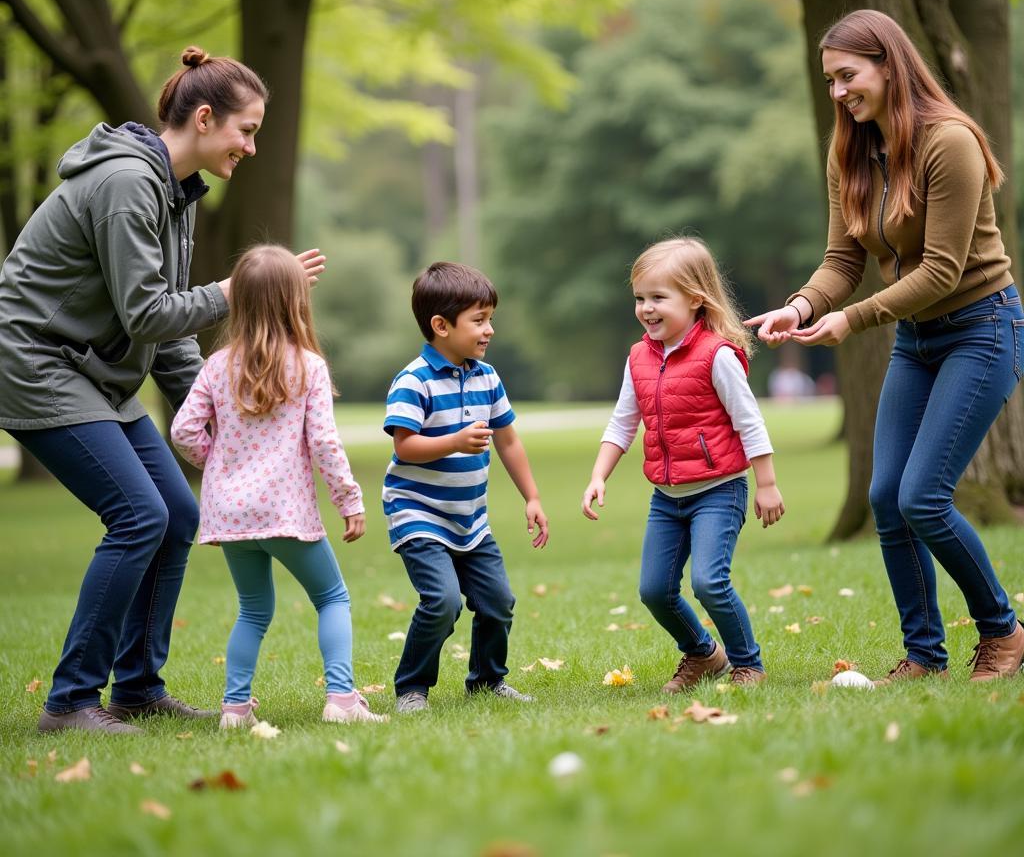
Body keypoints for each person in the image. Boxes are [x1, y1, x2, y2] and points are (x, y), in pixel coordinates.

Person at [0, 46, 325, 734]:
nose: (253, 146)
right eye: (247, 129)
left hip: (96, 372)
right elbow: (149, 313)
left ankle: (138, 688)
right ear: (204, 118)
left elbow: (166, 326)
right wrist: (235, 291)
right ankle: (69, 702)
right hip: (37, 365)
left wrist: (226, 418)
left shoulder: (176, 193)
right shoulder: (126, 184)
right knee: (138, 516)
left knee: (177, 513)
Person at [745, 9, 1024, 684]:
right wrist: (804, 305)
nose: (838, 92)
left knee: (924, 497)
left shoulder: (948, 142)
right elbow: (842, 258)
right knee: (886, 496)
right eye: (830, 81)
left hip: (982, 329)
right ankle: (925, 655)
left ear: (889, 66)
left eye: (848, 76)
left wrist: (853, 321)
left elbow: (942, 271)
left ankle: (1004, 632)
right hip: (918, 339)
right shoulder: (850, 151)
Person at [170, 245, 385, 727]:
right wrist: (349, 500)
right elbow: (325, 443)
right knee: (332, 598)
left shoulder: (217, 365)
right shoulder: (308, 365)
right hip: (285, 513)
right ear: (296, 302)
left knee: (252, 609)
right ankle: (342, 701)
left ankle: (235, 708)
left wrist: (217, 466)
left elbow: (183, 430)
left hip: (230, 513)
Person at [582, 237, 784, 689]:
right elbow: (622, 422)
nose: (646, 309)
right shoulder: (639, 357)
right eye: (639, 298)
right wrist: (598, 475)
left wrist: (766, 484)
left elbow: (750, 423)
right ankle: (703, 654)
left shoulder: (717, 355)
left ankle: (747, 664)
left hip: (719, 490)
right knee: (654, 591)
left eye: (658, 297)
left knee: (710, 582)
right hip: (667, 497)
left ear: (695, 300)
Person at [382, 261, 550, 713]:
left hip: (469, 519)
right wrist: (454, 441)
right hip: (418, 512)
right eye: (479, 320)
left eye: (490, 318)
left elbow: (508, 440)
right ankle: (412, 688)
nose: (489, 329)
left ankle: (487, 681)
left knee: (499, 601)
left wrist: (531, 496)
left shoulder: (487, 377)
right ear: (441, 326)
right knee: (442, 601)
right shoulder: (414, 380)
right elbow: (405, 447)